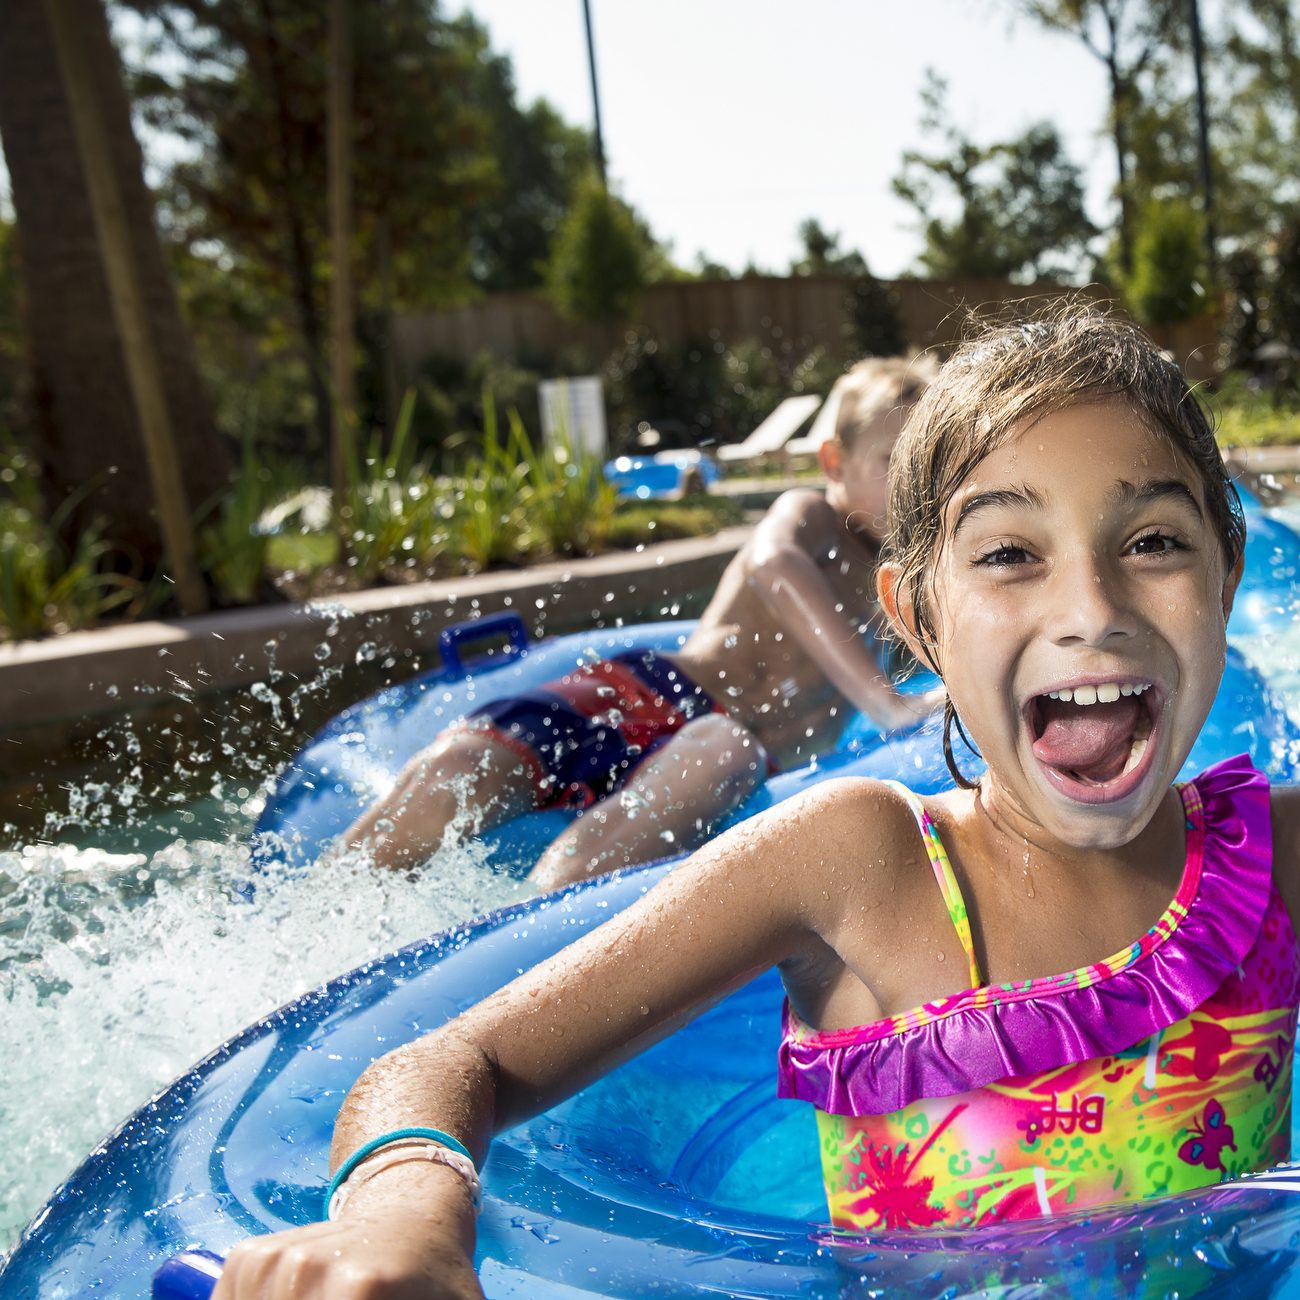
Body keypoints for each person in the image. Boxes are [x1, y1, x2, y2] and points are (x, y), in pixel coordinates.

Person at [214, 303, 1300, 1297]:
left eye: (1152, 541)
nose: (1089, 608)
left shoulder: (1275, 851)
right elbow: (446, 1061)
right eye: (1008, 552)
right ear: (917, 618)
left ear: (1225, 574)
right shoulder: (859, 862)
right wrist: (403, 1216)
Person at [345, 355, 940, 889]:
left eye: (925, 469)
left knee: (725, 748)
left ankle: (525, 930)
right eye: (893, 463)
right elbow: (771, 561)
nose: (910, 488)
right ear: (833, 461)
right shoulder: (810, 518)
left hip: (734, 753)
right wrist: (888, 704)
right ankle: (324, 899)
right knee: (462, 770)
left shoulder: (908, 578)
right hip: (656, 693)